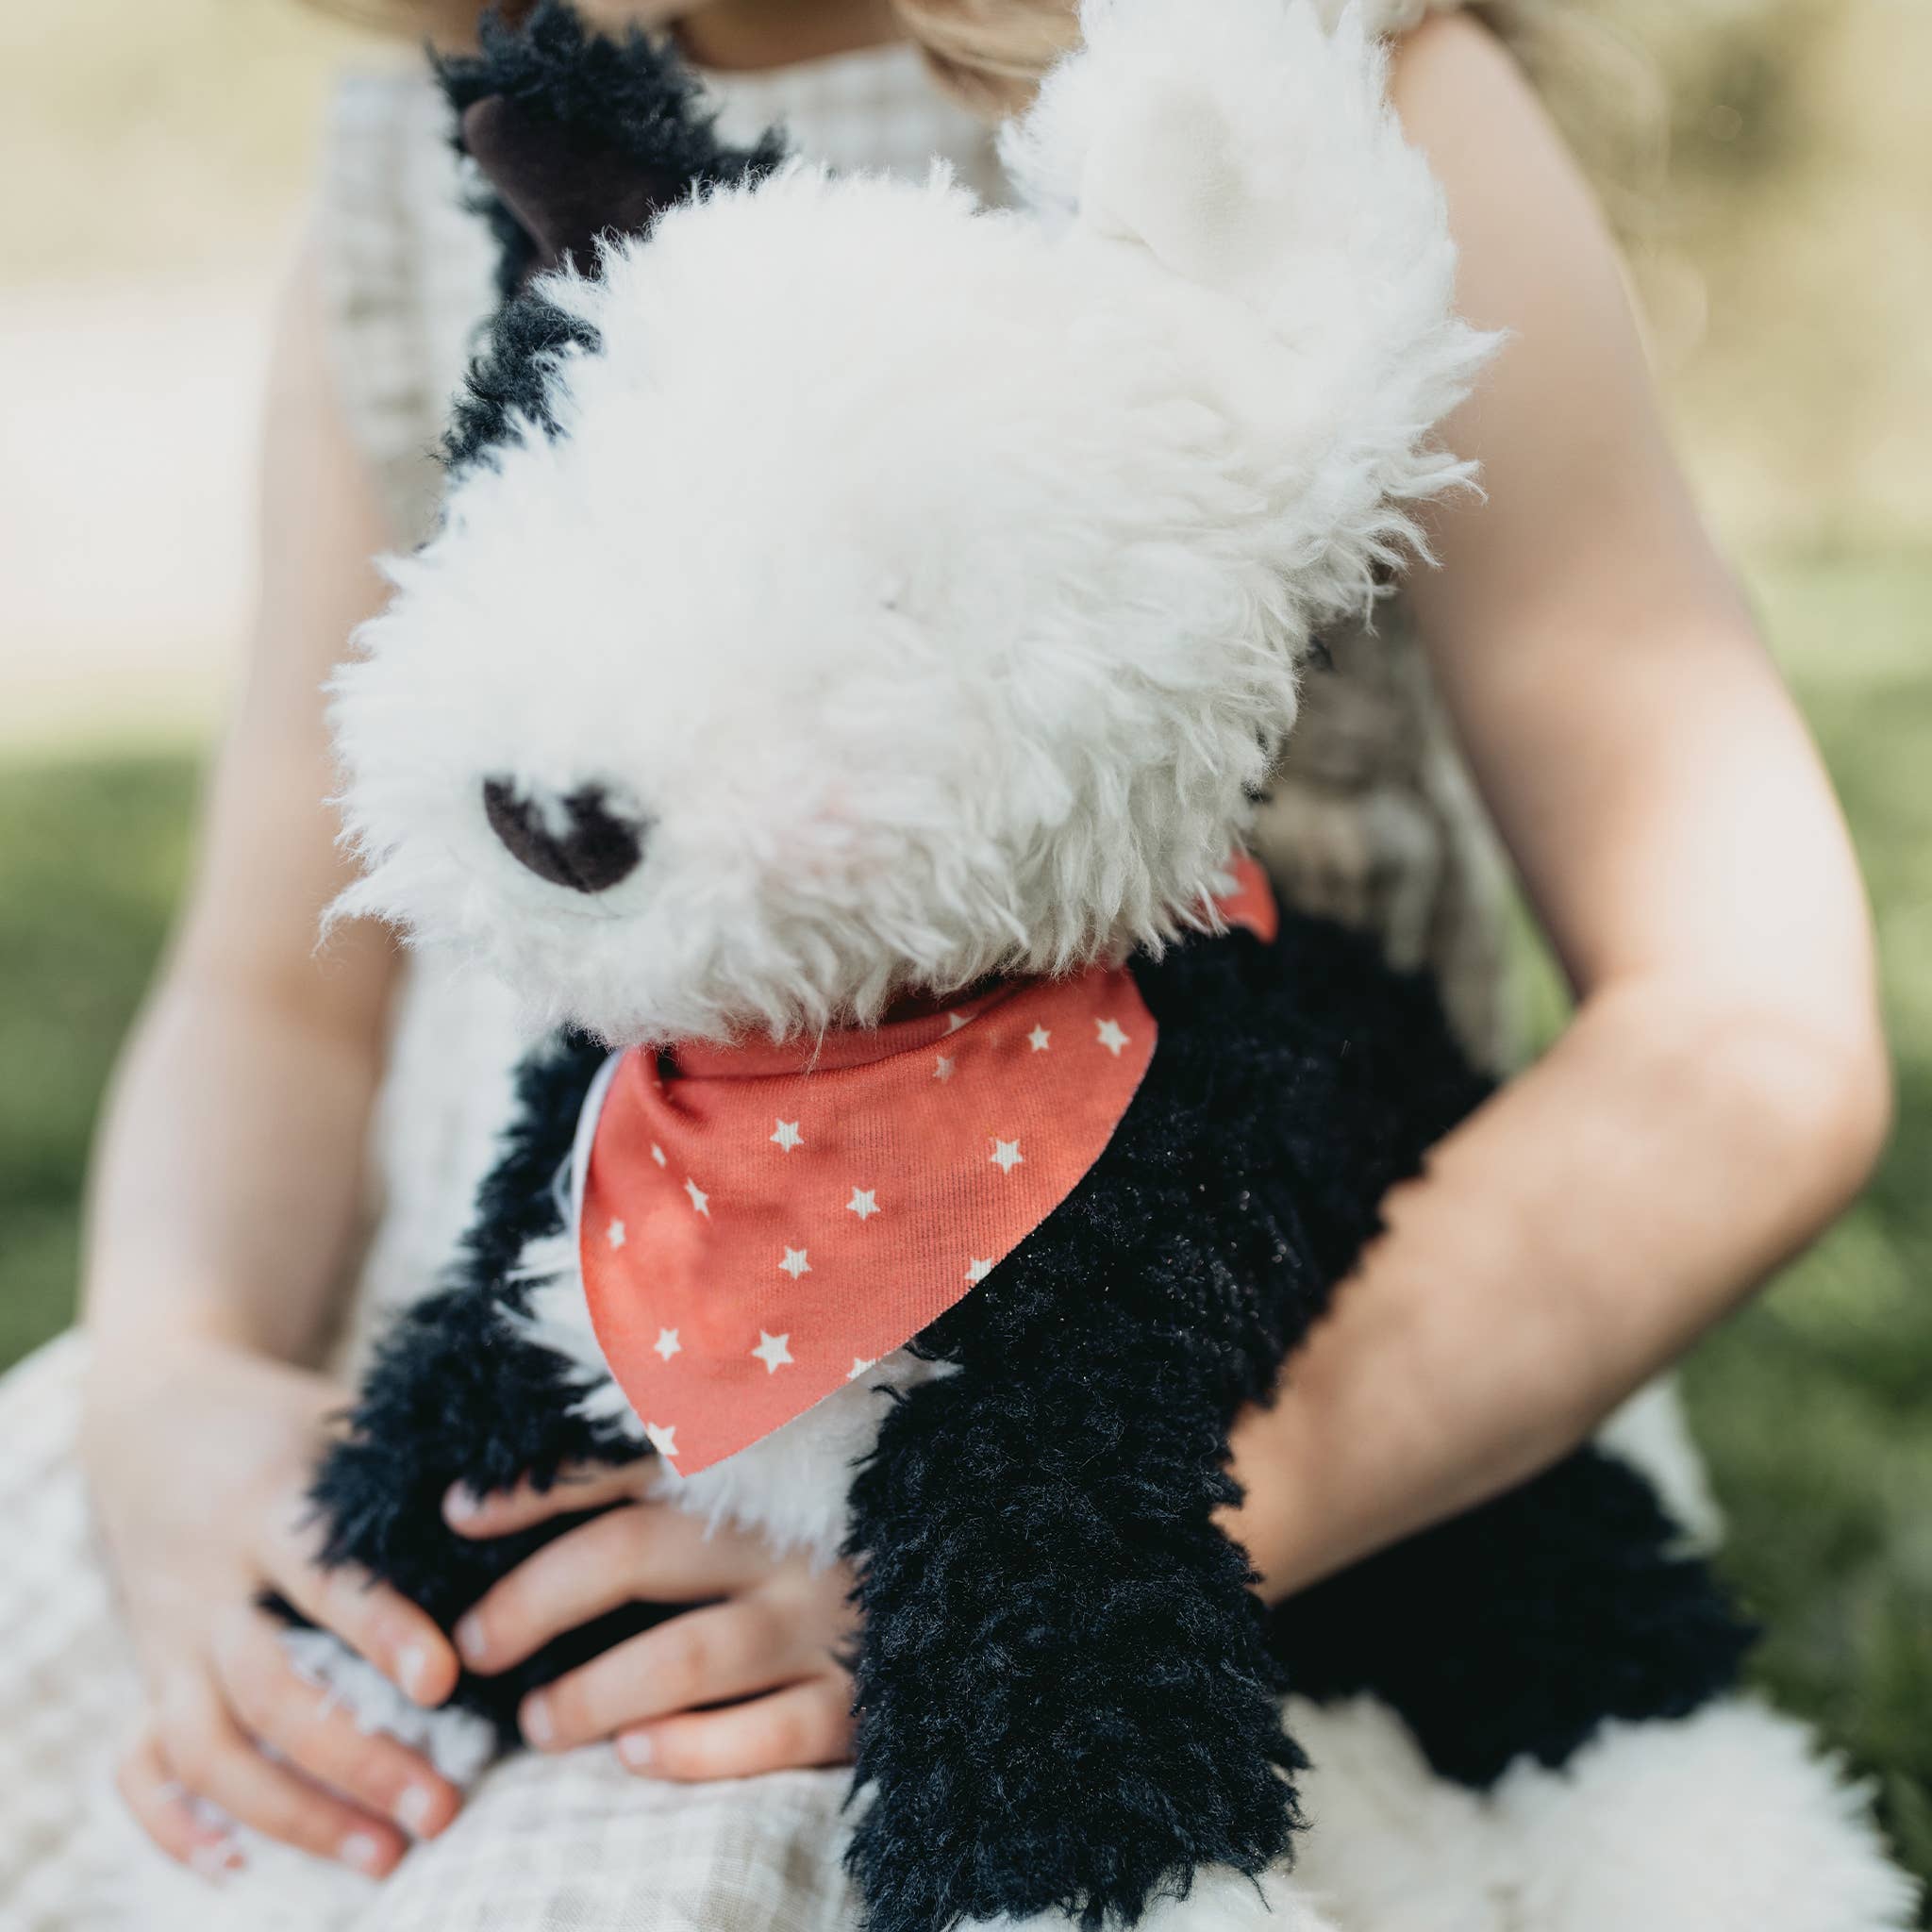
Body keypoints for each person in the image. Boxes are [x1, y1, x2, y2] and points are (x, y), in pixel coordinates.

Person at [0, 0, 1890, 1926]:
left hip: (1204, 1411)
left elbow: (1741, 1030)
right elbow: (278, 995)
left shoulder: (1324, 96)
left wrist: (1064, 1559)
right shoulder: (429, 169)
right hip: (541, 1384)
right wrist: (170, 1374)